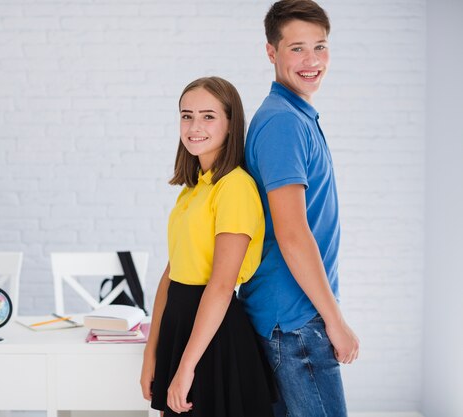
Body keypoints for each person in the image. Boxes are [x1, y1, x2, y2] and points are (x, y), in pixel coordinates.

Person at [238, 1, 360, 416]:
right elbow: (292, 232)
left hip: (292, 316)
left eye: (320, 47)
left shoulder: (296, 116)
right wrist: (335, 321)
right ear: (271, 52)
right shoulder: (283, 123)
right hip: (296, 321)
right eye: (297, 49)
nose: (312, 61)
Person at [140, 76, 275, 417]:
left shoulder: (235, 188)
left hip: (213, 338)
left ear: (231, 124)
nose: (194, 126)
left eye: (208, 116)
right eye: (186, 116)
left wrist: (186, 368)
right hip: (179, 327)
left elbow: (221, 285)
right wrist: (150, 354)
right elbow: (172, 274)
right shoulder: (192, 190)